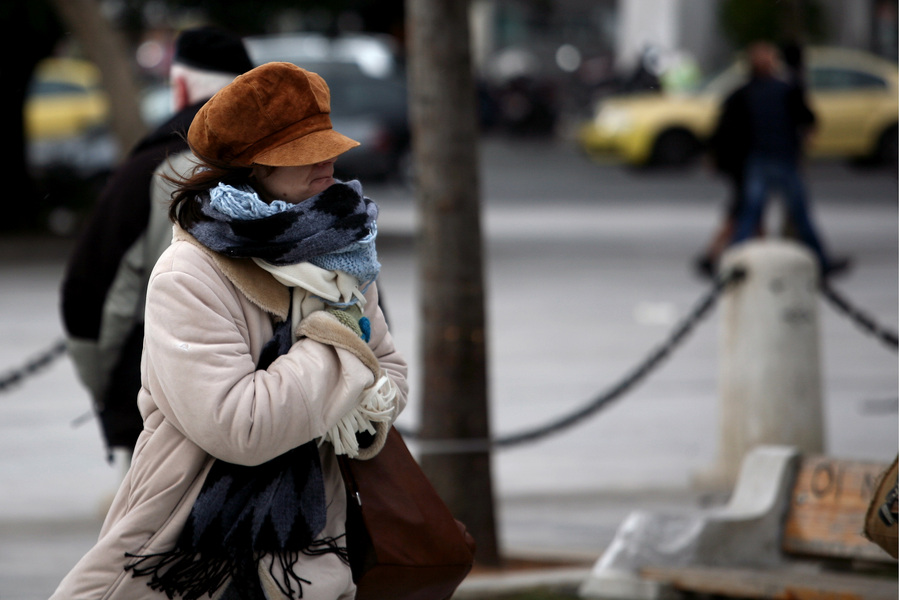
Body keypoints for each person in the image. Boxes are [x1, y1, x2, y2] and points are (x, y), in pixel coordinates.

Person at [51, 62, 409, 599]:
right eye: (303, 151)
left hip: (317, 552)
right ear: (250, 167)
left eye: (327, 144)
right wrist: (340, 344)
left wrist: (351, 386)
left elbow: (393, 378)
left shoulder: (343, 253)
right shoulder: (188, 274)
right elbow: (243, 428)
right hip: (189, 555)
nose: (329, 159)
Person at [60, 27, 255, 462]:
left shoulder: (147, 170)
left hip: (164, 400)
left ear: (181, 85)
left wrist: (111, 394)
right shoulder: (297, 163)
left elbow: (89, 293)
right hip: (278, 405)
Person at [726, 41, 847, 276]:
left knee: (760, 212)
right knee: (759, 212)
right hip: (771, 158)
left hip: (771, 158)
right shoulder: (775, 89)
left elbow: (806, 119)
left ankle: (734, 261)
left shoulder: (758, 90)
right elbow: (808, 120)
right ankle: (820, 261)